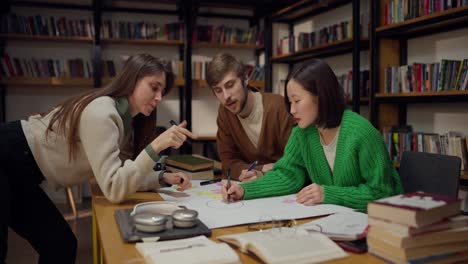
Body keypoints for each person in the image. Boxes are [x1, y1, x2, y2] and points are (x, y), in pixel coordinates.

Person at [0, 54, 194, 263]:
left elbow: (119, 174)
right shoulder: (103, 112)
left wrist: (161, 178)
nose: (159, 98)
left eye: (162, 92)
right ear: (132, 79)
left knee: (60, 244)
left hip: (22, 169)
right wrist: (156, 145)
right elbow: (113, 187)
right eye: (154, 87)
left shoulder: (123, 120)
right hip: (8, 152)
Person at [222, 59, 403, 212]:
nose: (292, 110)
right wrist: (244, 190)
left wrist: (327, 194)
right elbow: (287, 175)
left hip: (382, 226)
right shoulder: (303, 133)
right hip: (338, 221)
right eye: (290, 102)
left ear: (321, 96)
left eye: (297, 101)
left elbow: (382, 193)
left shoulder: (361, 133)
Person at [206, 53, 295, 182]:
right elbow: (228, 165)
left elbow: (294, 163)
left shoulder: (278, 107)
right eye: (218, 90)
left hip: (284, 187)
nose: (226, 96)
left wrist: (259, 174)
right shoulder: (225, 113)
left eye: (230, 85)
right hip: (249, 190)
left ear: (246, 78)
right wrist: (262, 169)